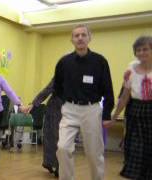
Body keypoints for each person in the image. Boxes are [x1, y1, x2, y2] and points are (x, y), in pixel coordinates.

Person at [53, 24, 114, 180]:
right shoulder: (64, 62)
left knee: (94, 153)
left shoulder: (100, 61)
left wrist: (106, 114)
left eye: (83, 35)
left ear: (89, 38)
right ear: (72, 40)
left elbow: (108, 90)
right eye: (76, 35)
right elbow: (57, 87)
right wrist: (66, 103)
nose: (80, 38)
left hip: (91, 110)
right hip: (69, 110)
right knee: (63, 148)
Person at [110, 36, 152, 179]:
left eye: (145, 49)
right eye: (138, 50)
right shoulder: (131, 69)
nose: (141, 53)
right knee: (135, 149)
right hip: (135, 111)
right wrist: (114, 117)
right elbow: (125, 96)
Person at [28, 78, 63, 177]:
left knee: (58, 139)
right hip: (54, 109)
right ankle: (52, 164)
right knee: (51, 138)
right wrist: (34, 103)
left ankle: (54, 164)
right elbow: (48, 89)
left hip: (68, 110)